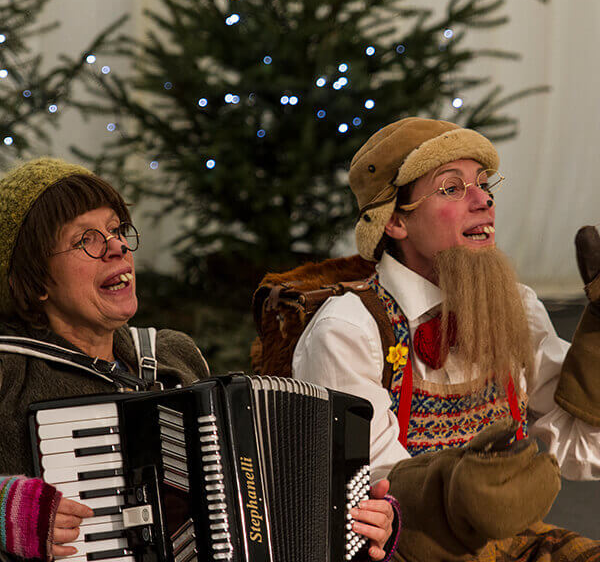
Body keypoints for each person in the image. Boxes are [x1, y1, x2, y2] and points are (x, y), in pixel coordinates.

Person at [0, 158, 396, 561]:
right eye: (87, 239)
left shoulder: (171, 356)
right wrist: (1, 514)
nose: (117, 247)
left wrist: (354, 522)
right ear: (34, 282)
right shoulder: (10, 370)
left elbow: (249, 500)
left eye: (117, 230)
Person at [292, 117, 600, 561]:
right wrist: (457, 489)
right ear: (395, 220)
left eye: (483, 183)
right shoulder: (349, 330)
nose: (484, 199)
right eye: (452, 188)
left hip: (504, 541)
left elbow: (576, 446)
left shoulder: (516, 304)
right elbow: (375, 489)